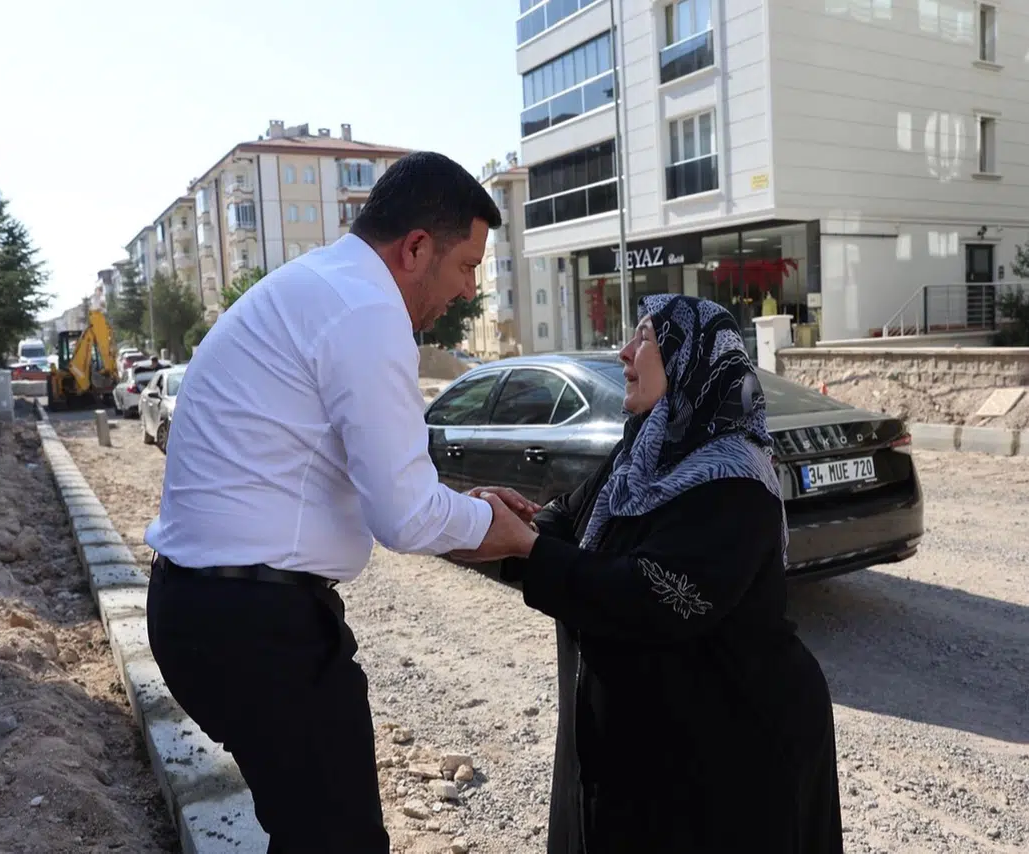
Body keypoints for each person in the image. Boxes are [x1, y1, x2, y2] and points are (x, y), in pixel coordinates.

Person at [143, 152, 538, 854]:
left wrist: (460, 504)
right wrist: (505, 531)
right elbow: (407, 520)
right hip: (254, 627)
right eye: (468, 266)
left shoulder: (321, 286)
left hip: (214, 610)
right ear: (416, 247)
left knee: (312, 835)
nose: (468, 291)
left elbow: (361, 478)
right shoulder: (366, 311)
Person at [461, 295, 844, 853]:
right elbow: (570, 517)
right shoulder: (644, 451)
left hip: (733, 749)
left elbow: (659, 595)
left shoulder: (735, 481)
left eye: (644, 337)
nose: (623, 352)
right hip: (652, 742)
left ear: (691, 358)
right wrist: (510, 522)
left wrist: (529, 549)